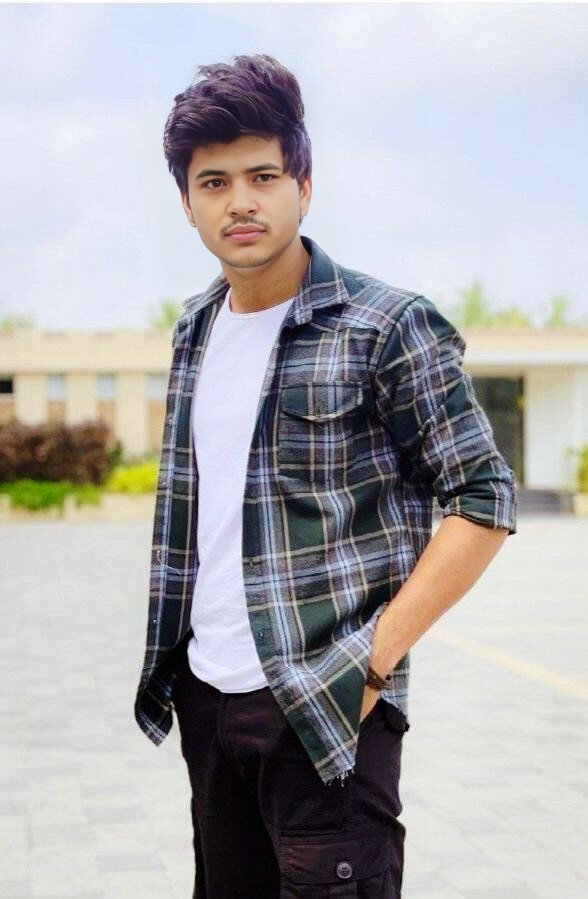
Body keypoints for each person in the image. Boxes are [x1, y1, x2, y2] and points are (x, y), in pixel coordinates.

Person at [134, 53, 517, 898]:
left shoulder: (387, 325)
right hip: (209, 696)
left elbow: (483, 495)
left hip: (327, 703)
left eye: (263, 176)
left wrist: (370, 667)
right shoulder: (195, 329)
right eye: (214, 182)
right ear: (188, 204)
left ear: (304, 185)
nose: (240, 201)